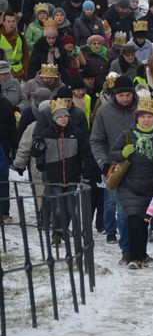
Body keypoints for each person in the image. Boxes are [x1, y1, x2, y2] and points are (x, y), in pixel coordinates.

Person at [110, 97, 153, 269]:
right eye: (142, 116)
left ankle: (141, 254)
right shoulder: (127, 134)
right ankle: (134, 257)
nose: (145, 120)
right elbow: (113, 153)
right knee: (133, 219)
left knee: (144, 222)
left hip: (150, 187)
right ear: (137, 118)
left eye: (149, 117)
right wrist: (122, 153)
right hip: (129, 185)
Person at [90, 75, 138, 260]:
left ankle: (138, 248)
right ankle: (126, 248)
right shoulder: (104, 112)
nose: (125, 99)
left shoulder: (141, 108)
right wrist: (104, 163)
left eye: (128, 94)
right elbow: (96, 140)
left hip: (141, 167)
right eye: (121, 95)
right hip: (116, 167)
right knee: (120, 209)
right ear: (115, 95)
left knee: (139, 211)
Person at [31, 98, 91, 242]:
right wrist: (38, 150)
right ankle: (57, 232)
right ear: (54, 119)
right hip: (54, 177)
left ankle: (64, 228)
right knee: (57, 208)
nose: (63, 119)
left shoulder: (77, 132)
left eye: (65, 116)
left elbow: (85, 153)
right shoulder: (46, 133)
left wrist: (85, 171)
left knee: (70, 208)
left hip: (72, 176)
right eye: (59, 117)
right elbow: (36, 151)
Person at [0, 85, 17, 221]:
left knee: (3, 180)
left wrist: (14, 147)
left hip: (2, 147)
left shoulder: (6, 104)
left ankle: (4, 211)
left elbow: (12, 128)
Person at [0, 11, 29, 80]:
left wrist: (25, 72)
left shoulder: (21, 36)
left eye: (13, 21)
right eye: (9, 21)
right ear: (3, 23)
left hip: (18, 74)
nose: (11, 24)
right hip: (2, 74)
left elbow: (25, 55)